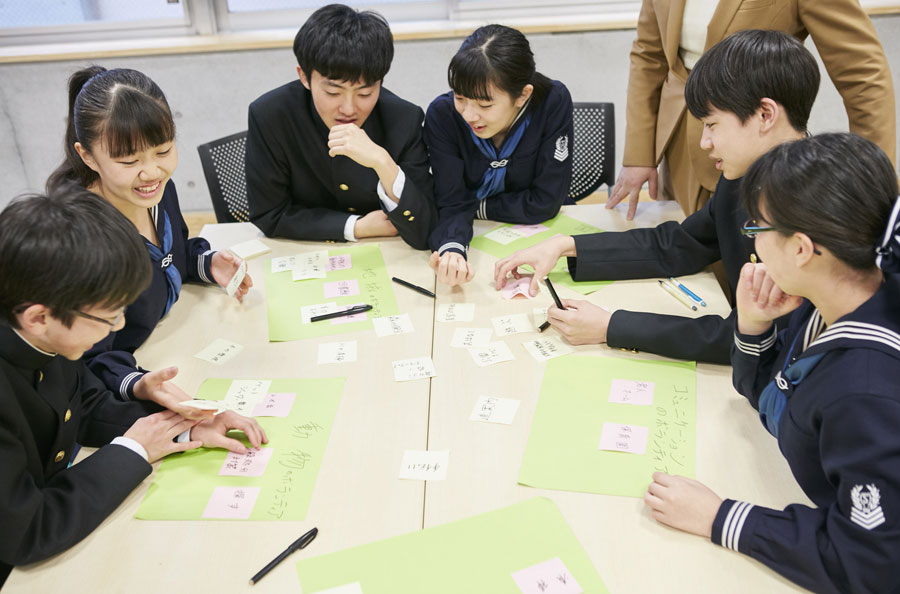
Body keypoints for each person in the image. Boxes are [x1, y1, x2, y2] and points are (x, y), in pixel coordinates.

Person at [644, 133, 900, 594]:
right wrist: (754, 324)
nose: (755, 247)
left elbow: (869, 563)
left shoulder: (864, 390)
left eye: (758, 230)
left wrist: (721, 518)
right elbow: (772, 395)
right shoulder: (832, 295)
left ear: (802, 248)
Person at [495, 30, 816, 364]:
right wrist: (566, 246)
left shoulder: (810, 211)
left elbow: (756, 339)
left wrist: (612, 326)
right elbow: (679, 245)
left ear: (765, 115)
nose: (705, 142)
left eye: (712, 124)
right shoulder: (746, 175)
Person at [0, 187, 267, 586]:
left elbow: (83, 402)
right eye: (108, 317)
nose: (119, 327)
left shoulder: (37, 325)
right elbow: (30, 528)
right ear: (40, 317)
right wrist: (135, 450)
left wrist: (186, 425)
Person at [47, 66, 252, 414]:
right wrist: (137, 384)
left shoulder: (154, 191)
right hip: (122, 385)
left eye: (163, 151)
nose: (152, 172)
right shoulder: (80, 239)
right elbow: (87, 357)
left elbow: (170, 255)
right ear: (86, 156)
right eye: (129, 160)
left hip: (172, 340)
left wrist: (206, 263)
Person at [606, 0, 896, 220]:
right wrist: (639, 155)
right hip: (678, 142)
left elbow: (862, 77)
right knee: (685, 259)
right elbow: (649, 55)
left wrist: (871, 183)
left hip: (755, 147)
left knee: (747, 276)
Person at [246, 3, 435, 249]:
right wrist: (355, 227)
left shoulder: (404, 119)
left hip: (385, 255)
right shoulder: (271, 115)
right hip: (299, 252)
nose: (349, 108)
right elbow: (268, 214)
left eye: (365, 93)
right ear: (304, 76)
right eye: (333, 92)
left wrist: (382, 162)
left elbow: (426, 227)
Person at [425, 24, 574, 287]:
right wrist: (453, 248)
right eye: (460, 98)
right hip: (474, 236)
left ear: (522, 95)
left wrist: (474, 206)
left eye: (485, 104)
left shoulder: (552, 101)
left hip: (536, 237)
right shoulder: (443, 115)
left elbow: (547, 201)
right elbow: (450, 201)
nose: (469, 115)